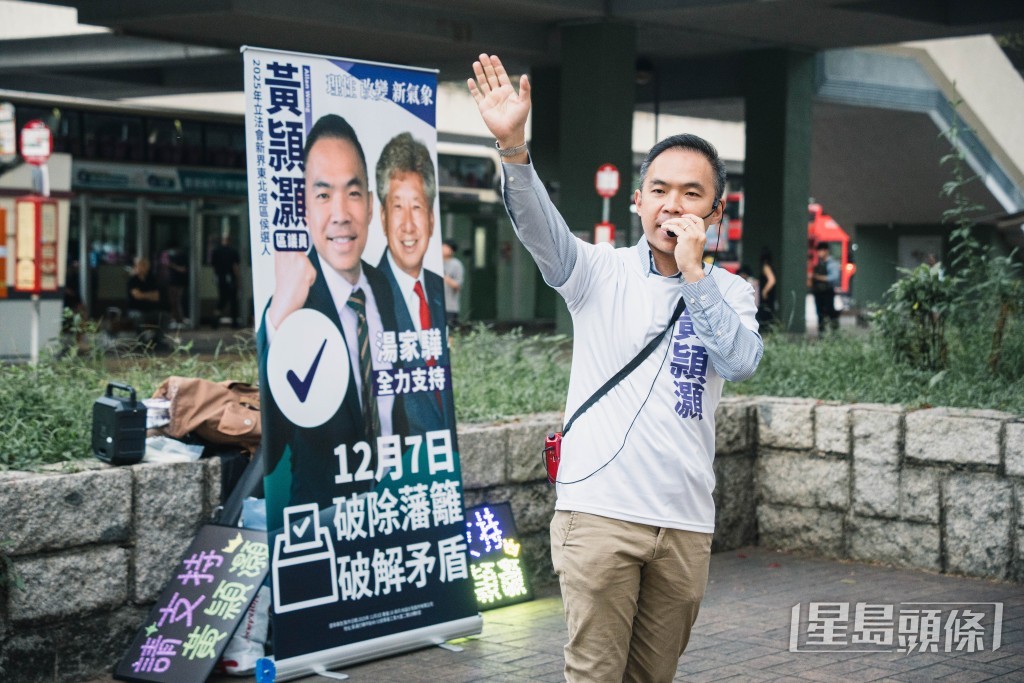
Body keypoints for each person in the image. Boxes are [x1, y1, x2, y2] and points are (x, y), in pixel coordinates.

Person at [468, 53, 762, 682]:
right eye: (659, 190)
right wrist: (514, 149)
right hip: (597, 514)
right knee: (594, 675)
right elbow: (541, 232)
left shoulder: (730, 292)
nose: (671, 205)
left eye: (692, 194)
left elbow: (739, 362)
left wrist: (693, 275)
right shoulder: (596, 272)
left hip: (685, 523)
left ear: (715, 214)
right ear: (637, 201)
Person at [257, 113, 405, 511]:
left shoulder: (391, 290)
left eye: (353, 193)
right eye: (323, 195)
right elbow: (271, 452)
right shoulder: (291, 307)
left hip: (404, 516)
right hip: (325, 527)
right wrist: (278, 323)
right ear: (305, 209)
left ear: (371, 206)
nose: (341, 213)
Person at [375, 131, 456, 435]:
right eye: (398, 207)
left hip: (438, 466)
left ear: (432, 219)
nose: (408, 225)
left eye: (418, 207)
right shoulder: (362, 296)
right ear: (382, 217)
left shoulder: (436, 289)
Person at [126, 256, 169, 349]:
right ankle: (142, 341)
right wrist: (149, 295)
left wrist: (143, 295)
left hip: (150, 310)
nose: (144, 267)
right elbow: (137, 295)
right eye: (141, 265)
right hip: (135, 310)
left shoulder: (151, 279)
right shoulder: (132, 280)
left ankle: (157, 340)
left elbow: (156, 297)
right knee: (138, 317)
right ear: (136, 266)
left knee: (164, 315)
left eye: (146, 265)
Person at [809, 242, 840, 335]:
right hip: (818, 292)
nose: (819, 253)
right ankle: (822, 334)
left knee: (830, 313)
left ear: (826, 251)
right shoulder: (819, 264)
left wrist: (818, 277)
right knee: (820, 314)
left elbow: (834, 277)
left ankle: (835, 334)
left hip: (828, 292)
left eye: (820, 250)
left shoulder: (832, 263)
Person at [211, 235, 240, 328]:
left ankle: (215, 320)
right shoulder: (233, 251)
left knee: (222, 300)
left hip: (221, 278)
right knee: (233, 301)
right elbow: (235, 267)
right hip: (230, 278)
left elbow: (214, 266)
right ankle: (234, 323)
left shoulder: (216, 251)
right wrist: (238, 279)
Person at [442, 239, 464, 325]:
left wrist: (445, 277)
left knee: (450, 332)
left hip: (450, 306)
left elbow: (458, 285)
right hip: (436, 306)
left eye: (445, 247)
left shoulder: (456, 264)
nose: (442, 248)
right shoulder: (436, 263)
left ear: (451, 250)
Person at [757, 247, 777, 331]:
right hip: (770, 297)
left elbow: (772, 280)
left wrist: (764, 291)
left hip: (766, 298)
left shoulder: (766, 267)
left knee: (765, 316)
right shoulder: (771, 266)